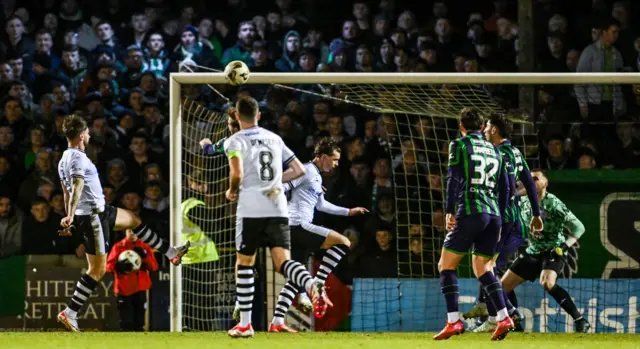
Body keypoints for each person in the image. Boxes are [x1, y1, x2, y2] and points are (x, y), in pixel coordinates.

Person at [55, 114, 190, 332]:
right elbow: (77, 186)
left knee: (134, 220)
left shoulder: (63, 159)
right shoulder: (77, 158)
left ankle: (170, 252)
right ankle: (70, 313)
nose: (89, 134)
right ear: (81, 135)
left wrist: (69, 215)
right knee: (96, 271)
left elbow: (65, 191)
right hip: (92, 217)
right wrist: (71, 215)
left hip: (101, 211)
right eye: (87, 132)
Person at [215, 96, 328, 338]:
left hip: (251, 208)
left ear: (236, 116)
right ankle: (310, 284)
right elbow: (298, 170)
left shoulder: (234, 140)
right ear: (259, 115)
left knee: (244, 263)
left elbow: (236, 173)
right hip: (278, 207)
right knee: (283, 263)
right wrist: (274, 181)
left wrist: (232, 190)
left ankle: (245, 324)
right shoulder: (274, 138)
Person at [267, 137, 369, 332]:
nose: (337, 164)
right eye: (335, 159)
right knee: (343, 242)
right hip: (297, 225)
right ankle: (318, 285)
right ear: (323, 157)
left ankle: (277, 322)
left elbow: (322, 205)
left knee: (294, 280)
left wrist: (349, 211)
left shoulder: (315, 176)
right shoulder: (304, 171)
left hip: (294, 228)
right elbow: (281, 186)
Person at [435, 107, 512, 341]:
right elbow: (506, 187)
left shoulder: (459, 144)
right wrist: (501, 220)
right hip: (494, 215)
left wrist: (449, 210)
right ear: (481, 127)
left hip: (471, 211)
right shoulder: (495, 150)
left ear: (461, 126)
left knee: (446, 265)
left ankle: (453, 322)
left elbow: (453, 178)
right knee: (483, 268)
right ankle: (503, 317)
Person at [466, 113, 544, 332]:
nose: (483, 130)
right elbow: (529, 182)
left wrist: (497, 221)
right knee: (491, 268)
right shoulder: (516, 152)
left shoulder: (500, 153)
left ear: (494, 130)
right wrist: (536, 215)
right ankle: (498, 312)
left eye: (487, 126)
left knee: (484, 267)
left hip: (503, 220)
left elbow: (509, 187)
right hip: (514, 221)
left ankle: (497, 315)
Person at [500, 170, 590, 333]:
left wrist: (565, 246)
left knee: (547, 283)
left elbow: (579, 227)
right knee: (502, 287)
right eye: (529, 179)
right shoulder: (523, 200)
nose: (531, 181)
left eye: (536, 179)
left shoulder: (553, 203)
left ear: (545, 184)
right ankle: (515, 322)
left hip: (553, 251)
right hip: (533, 250)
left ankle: (580, 320)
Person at [106, 229, 158, 332]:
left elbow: (154, 267)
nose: (133, 233)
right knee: (126, 322)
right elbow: (108, 266)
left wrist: (145, 257)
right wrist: (118, 266)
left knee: (139, 322)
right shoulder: (118, 247)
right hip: (124, 288)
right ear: (125, 231)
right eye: (130, 231)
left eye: (135, 231)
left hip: (140, 288)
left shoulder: (144, 247)